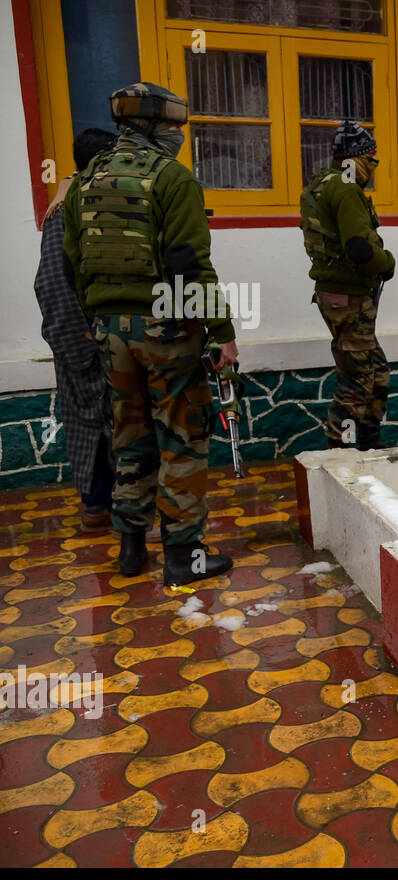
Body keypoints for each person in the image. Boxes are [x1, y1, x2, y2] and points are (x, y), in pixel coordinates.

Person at [63, 82, 238, 586]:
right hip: (166, 331)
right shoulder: (172, 179)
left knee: (130, 435)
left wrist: (101, 321)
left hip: (109, 332)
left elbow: (76, 261)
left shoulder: (85, 180)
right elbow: (190, 265)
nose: (177, 136)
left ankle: (130, 548)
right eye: (171, 127)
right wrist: (221, 331)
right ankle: (184, 556)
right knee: (183, 436)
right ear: (150, 127)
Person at [36, 127, 117, 532]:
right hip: (82, 340)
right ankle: (98, 508)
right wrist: (81, 347)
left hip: (115, 339)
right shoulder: (65, 212)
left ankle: (123, 509)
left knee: (123, 425)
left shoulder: (106, 203)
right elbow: (51, 284)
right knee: (92, 428)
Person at [300, 120, 395, 451]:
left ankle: (368, 439)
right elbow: (358, 248)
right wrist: (388, 263)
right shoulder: (345, 187)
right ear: (357, 159)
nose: (373, 167)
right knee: (357, 380)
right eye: (372, 160)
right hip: (349, 298)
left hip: (339, 295)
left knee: (376, 370)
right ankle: (340, 451)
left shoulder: (321, 183)